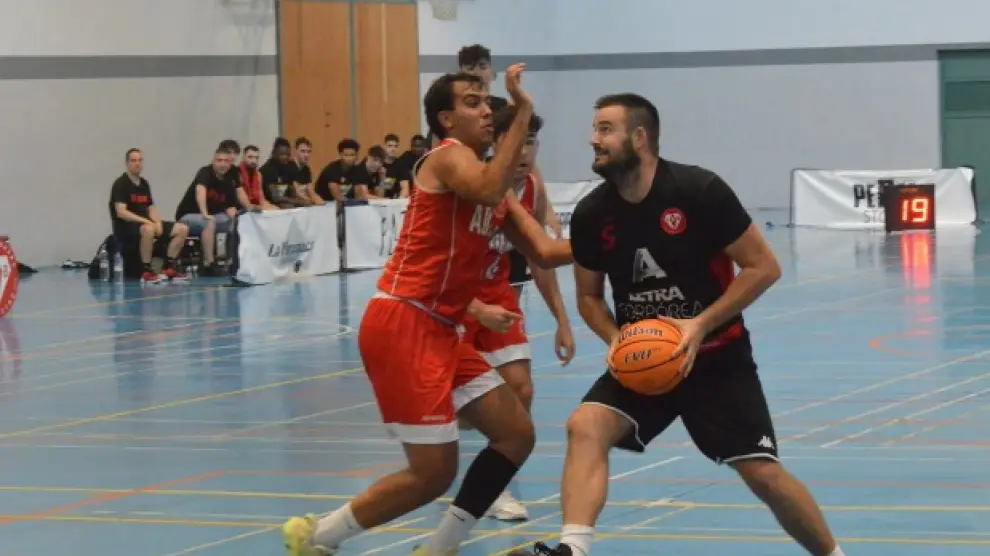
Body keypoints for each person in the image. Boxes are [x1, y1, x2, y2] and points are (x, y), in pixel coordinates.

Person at [511, 94, 843, 556]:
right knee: (585, 425)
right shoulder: (592, 214)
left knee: (763, 474)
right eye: (594, 129)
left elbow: (763, 267)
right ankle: (573, 549)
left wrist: (699, 326)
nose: (593, 139)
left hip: (716, 359)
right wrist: (618, 341)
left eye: (605, 129)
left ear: (639, 138)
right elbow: (589, 297)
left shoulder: (698, 191)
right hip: (643, 359)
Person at [281, 66, 572, 556]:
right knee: (433, 473)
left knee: (516, 434)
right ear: (446, 119)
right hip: (405, 322)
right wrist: (522, 110)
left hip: (444, 329)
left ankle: (438, 549)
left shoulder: (498, 187)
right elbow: (485, 187)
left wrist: (619, 233)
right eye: (473, 102)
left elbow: (545, 251)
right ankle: (317, 536)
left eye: (488, 102)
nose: (486, 110)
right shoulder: (447, 157)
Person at [463, 104, 575, 522]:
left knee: (521, 390)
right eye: (517, 140)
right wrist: (474, 308)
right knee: (459, 410)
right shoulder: (470, 182)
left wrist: (562, 320)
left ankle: (496, 486)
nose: (525, 150)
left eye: (531, 141)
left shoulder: (532, 187)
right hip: (456, 300)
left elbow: (539, 258)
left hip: (499, 295)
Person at [109, 148, 189, 284]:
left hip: (146, 222)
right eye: (133, 160)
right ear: (127, 163)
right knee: (149, 229)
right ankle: (146, 271)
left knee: (182, 229)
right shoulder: (121, 184)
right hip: (126, 226)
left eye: (140, 160)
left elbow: (151, 207)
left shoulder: (144, 184)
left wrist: (157, 222)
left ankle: (169, 267)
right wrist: (147, 222)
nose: (137, 163)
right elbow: (121, 212)